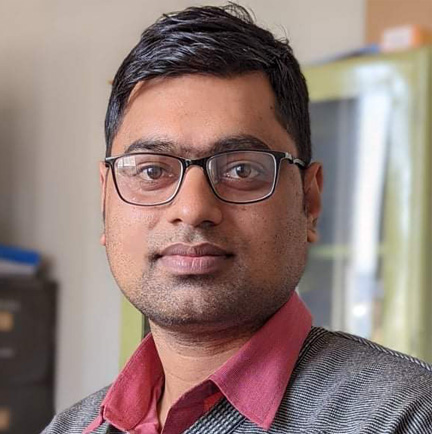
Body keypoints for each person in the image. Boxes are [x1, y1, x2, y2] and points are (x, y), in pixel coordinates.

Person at [43, 4, 432, 434]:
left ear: (309, 200)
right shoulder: (71, 427)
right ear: (105, 200)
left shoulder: (404, 415)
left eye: (242, 170)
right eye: (152, 171)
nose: (192, 209)